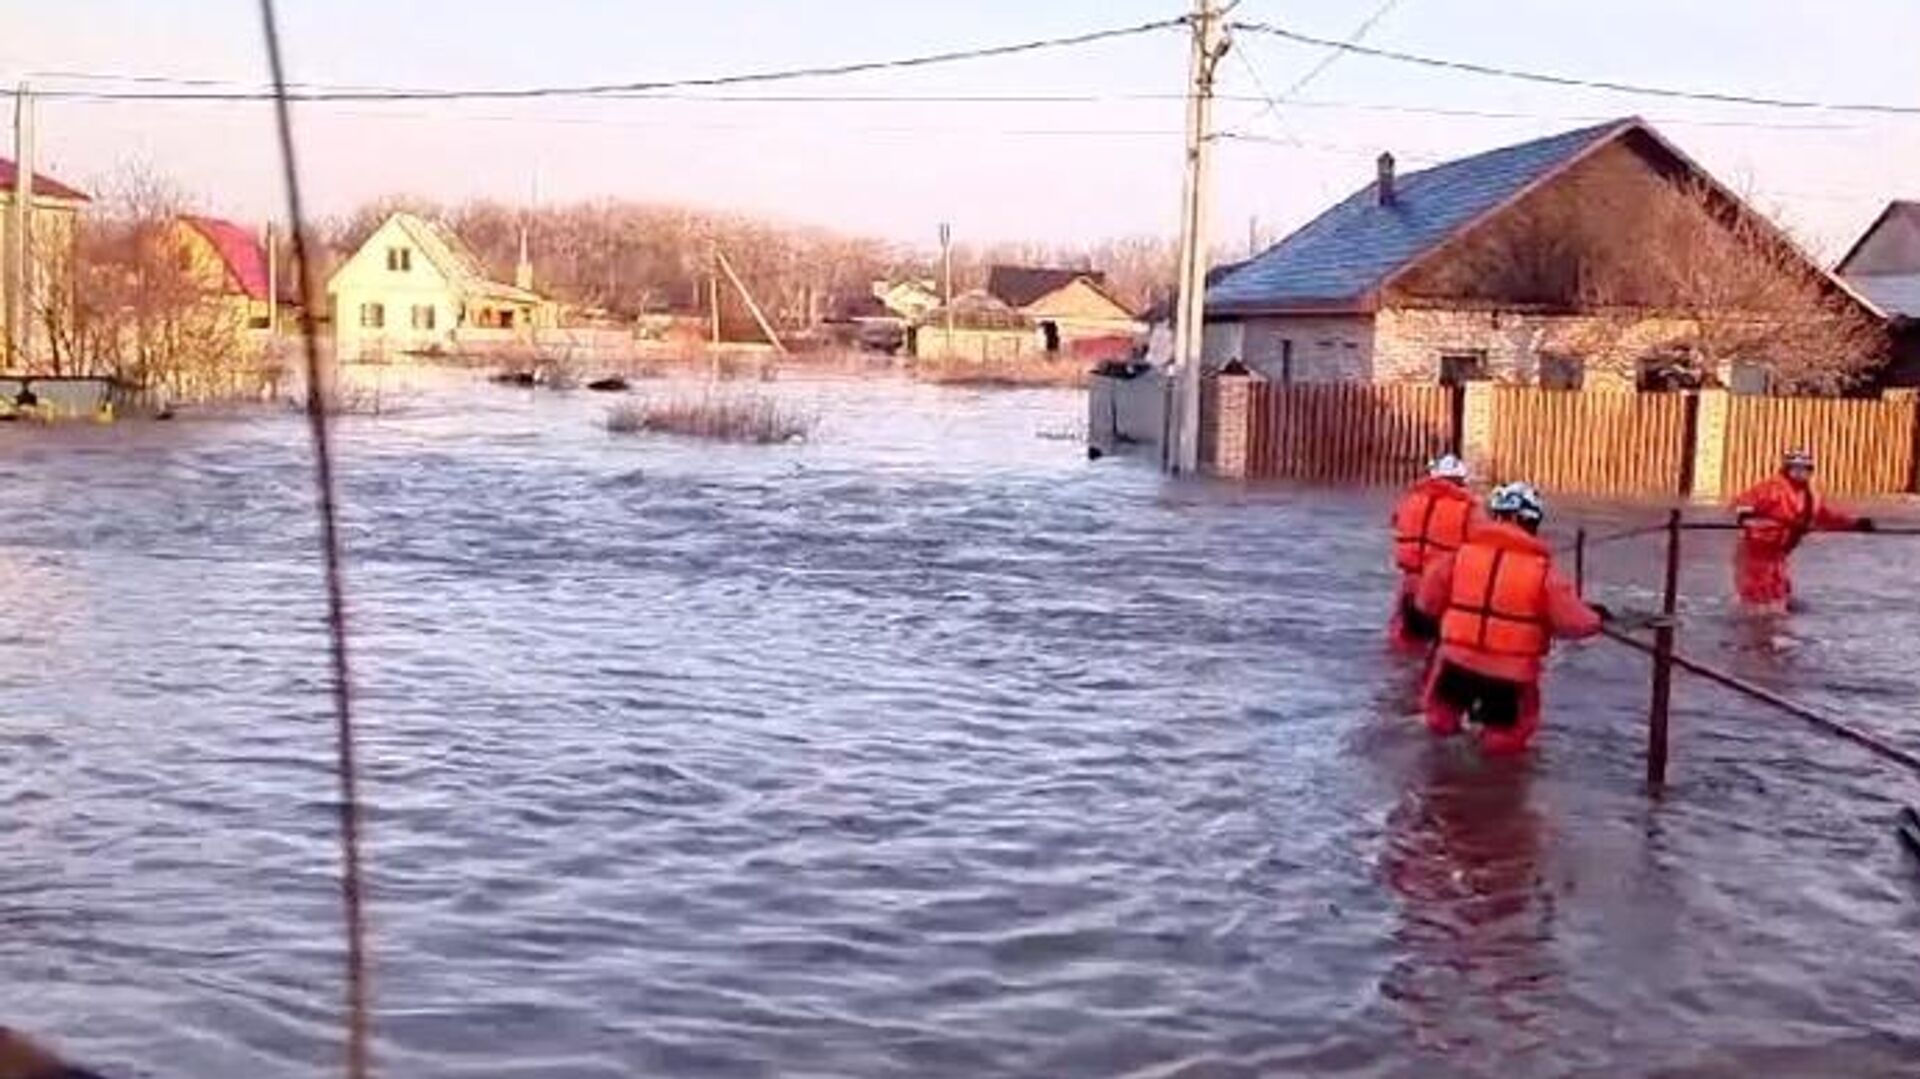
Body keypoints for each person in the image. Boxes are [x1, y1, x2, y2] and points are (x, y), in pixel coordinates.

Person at [1415, 482, 1608, 756]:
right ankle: (1494, 793)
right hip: (1509, 677)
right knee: (1504, 748)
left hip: (1456, 664)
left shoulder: (1458, 557)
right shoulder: (1543, 572)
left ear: (1496, 515)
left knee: (1439, 728)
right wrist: (1597, 618)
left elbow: (1427, 602)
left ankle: (1440, 788)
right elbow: (1576, 623)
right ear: (1531, 521)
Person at [1730, 449, 1874, 614]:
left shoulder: (1810, 496)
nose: (1800, 473)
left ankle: (1772, 627)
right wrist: (1746, 515)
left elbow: (1826, 517)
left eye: (1805, 469)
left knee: (1779, 593)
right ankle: (1752, 629)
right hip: (1757, 551)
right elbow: (1742, 503)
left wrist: (1855, 523)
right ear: (1786, 469)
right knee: (1758, 597)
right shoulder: (1771, 488)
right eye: (1796, 468)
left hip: (1779, 554)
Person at [1387, 454, 1478, 651]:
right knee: (1436, 648)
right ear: (1461, 481)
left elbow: (1396, 522)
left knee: (1401, 643)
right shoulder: (1468, 509)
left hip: (1410, 583)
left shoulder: (1410, 500)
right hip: (1442, 587)